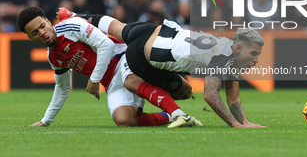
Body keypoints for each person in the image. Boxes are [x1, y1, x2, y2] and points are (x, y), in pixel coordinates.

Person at [58, 8, 266, 128]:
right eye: (254, 54)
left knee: (117, 27)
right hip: (143, 57)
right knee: (185, 92)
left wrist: (245, 121)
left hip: (156, 29)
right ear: (238, 48)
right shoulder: (222, 57)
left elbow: (233, 97)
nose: (256, 60)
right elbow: (211, 97)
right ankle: (174, 113)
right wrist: (236, 125)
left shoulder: (227, 48)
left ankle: (75, 15)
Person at [17, 7, 202, 128]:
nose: (42, 33)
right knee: (124, 120)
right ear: (30, 38)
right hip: (111, 81)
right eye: (35, 33)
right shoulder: (54, 58)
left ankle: (180, 114)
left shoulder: (71, 26)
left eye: (42, 26)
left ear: (48, 22)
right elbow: (63, 87)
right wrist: (45, 121)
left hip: (124, 57)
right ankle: (169, 116)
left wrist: (94, 80)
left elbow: (107, 45)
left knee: (180, 91)